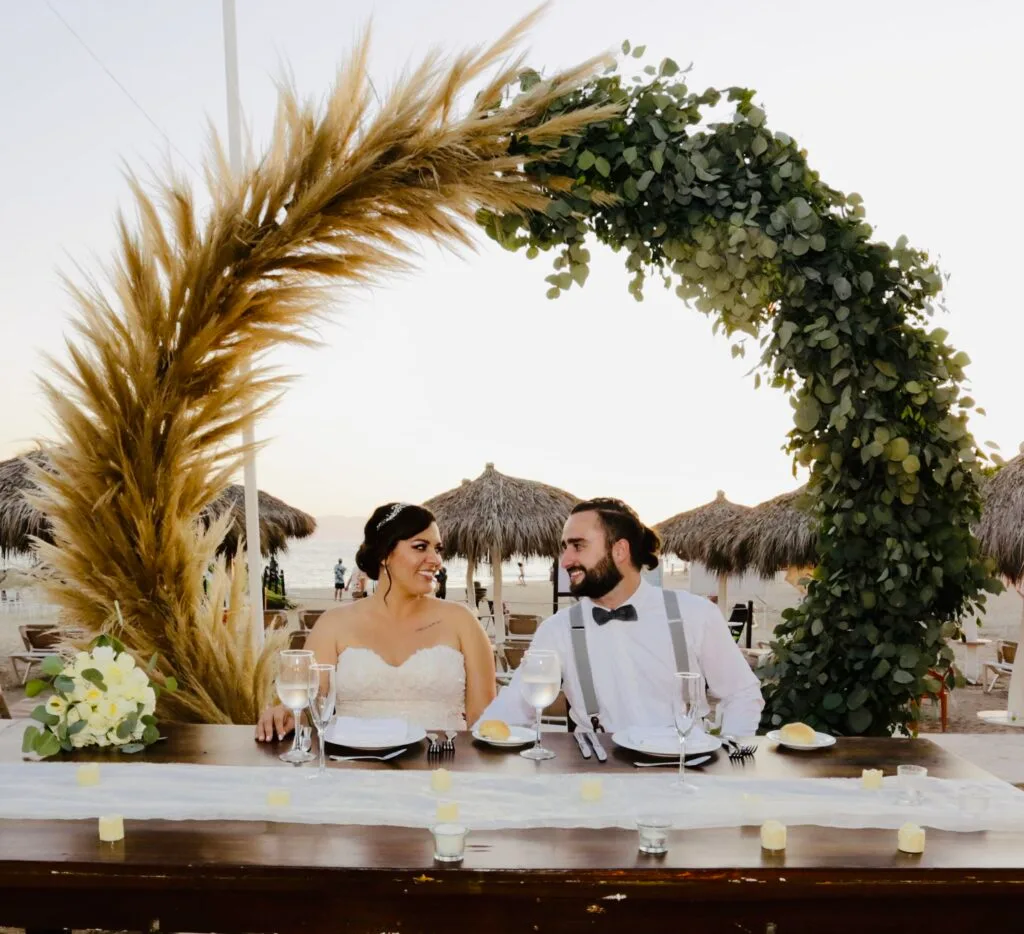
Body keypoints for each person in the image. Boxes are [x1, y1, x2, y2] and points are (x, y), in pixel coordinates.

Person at [477, 498, 764, 735]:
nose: (564, 561)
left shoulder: (695, 614)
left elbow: (742, 693)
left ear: (620, 550)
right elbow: (513, 708)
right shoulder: (557, 630)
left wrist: (730, 759)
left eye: (578, 546)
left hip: (681, 776)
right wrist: (471, 747)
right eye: (564, 547)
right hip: (597, 780)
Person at [257, 503, 496, 740]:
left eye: (438, 549)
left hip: (441, 768)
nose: (435, 560)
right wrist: (286, 713)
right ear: (384, 555)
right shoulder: (334, 624)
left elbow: (484, 721)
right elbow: (310, 707)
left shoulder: (462, 622)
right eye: (421, 547)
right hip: (354, 767)